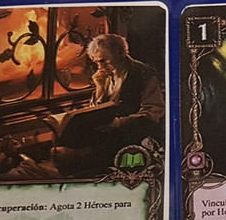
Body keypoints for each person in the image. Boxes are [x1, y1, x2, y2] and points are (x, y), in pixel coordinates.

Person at [50, 33, 165, 176]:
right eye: (96, 62)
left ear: (120, 54)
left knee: (104, 140)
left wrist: (119, 123)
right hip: (107, 125)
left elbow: (154, 112)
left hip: (133, 129)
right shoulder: (104, 74)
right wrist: (100, 88)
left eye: (104, 61)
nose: (100, 66)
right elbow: (96, 109)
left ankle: (77, 159)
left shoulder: (143, 74)